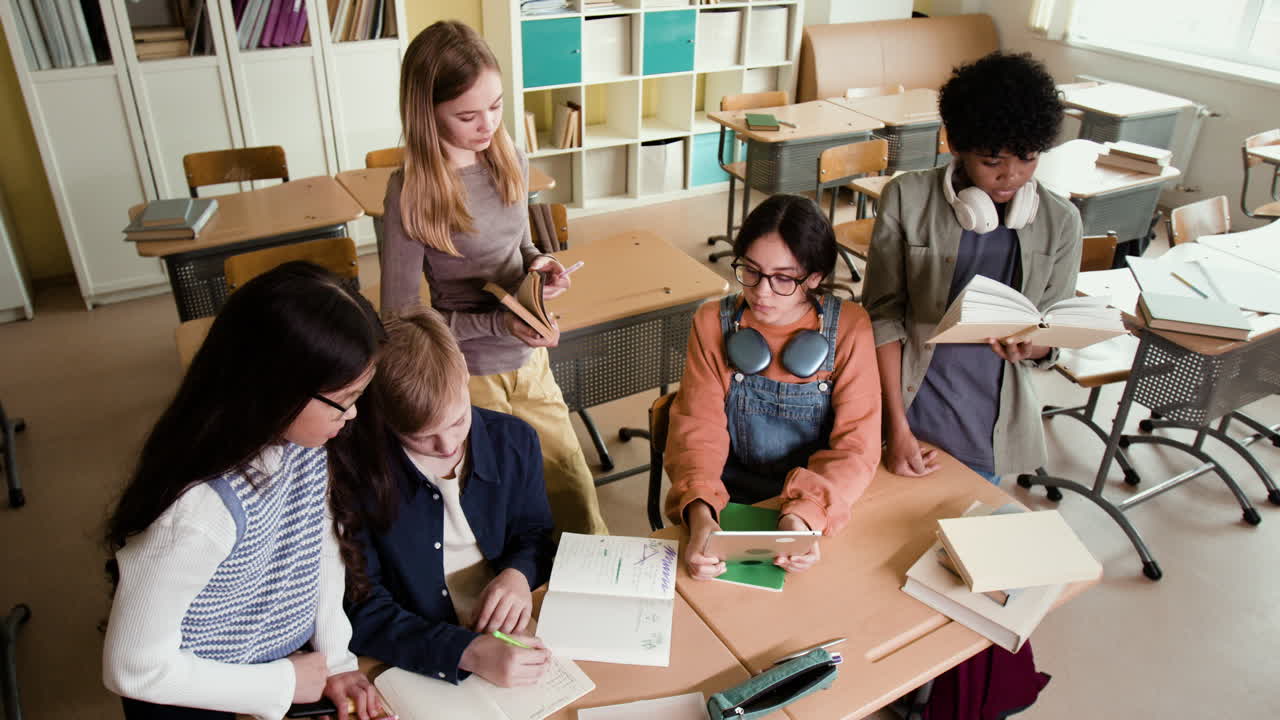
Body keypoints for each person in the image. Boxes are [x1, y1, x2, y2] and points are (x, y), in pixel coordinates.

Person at [102, 263, 385, 720]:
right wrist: (283, 683)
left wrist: (335, 660)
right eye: (346, 399)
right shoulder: (197, 513)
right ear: (279, 389)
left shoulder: (305, 442)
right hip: (196, 692)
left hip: (278, 664)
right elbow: (133, 668)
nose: (352, 416)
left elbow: (316, 546)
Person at [378, 20, 607, 536]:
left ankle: (598, 584)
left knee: (571, 482)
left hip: (529, 359)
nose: (488, 125)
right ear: (426, 113)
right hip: (467, 376)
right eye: (467, 115)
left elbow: (516, 245)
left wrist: (539, 267)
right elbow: (399, 319)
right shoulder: (411, 192)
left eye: (497, 105)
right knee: (499, 504)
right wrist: (499, 327)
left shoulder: (509, 156)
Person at [862, 50, 1083, 485]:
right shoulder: (907, 198)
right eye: (992, 162)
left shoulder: (1061, 221)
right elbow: (882, 318)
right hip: (912, 403)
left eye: (1028, 159)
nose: (1012, 177)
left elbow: (1052, 329)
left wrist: (1033, 347)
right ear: (956, 145)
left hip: (989, 422)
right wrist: (897, 428)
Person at [331, 307, 556, 688]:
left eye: (457, 421)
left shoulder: (515, 440)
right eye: (422, 437)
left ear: (465, 374)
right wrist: (464, 651)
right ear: (383, 416)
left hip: (517, 633)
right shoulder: (357, 476)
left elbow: (534, 535)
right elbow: (361, 607)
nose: (448, 445)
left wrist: (517, 575)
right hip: (423, 650)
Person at [664, 194, 882, 580]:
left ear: (814, 277)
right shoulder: (713, 321)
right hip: (726, 497)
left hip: (819, 501)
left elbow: (856, 445)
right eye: (750, 271)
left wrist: (804, 516)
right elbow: (697, 430)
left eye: (783, 278)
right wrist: (700, 511)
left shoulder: (850, 326)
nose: (762, 291)